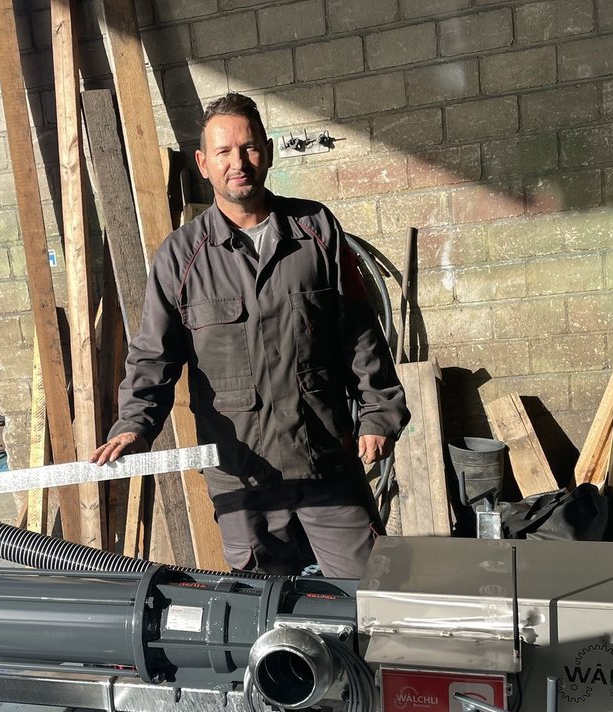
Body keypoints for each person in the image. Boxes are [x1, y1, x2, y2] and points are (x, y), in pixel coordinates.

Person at [89, 92, 409, 578]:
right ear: (203, 163)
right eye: (223, 151)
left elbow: (359, 333)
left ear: (268, 152)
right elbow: (153, 356)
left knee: (367, 592)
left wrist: (378, 414)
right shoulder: (181, 256)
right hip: (243, 475)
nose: (237, 163)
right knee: (262, 606)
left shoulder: (316, 229)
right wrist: (134, 425)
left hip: (325, 459)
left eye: (249, 147)